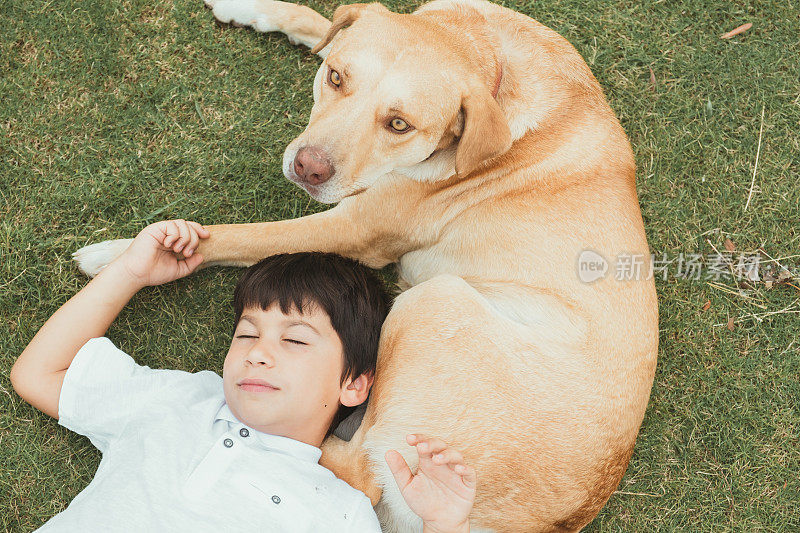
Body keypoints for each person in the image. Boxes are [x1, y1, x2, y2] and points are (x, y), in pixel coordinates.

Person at [10, 219, 477, 532]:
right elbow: (40, 374)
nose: (258, 354)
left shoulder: (340, 511)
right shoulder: (182, 401)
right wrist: (129, 272)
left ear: (353, 384)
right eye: (246, 335)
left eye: (294, 341)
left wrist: (441, 526)